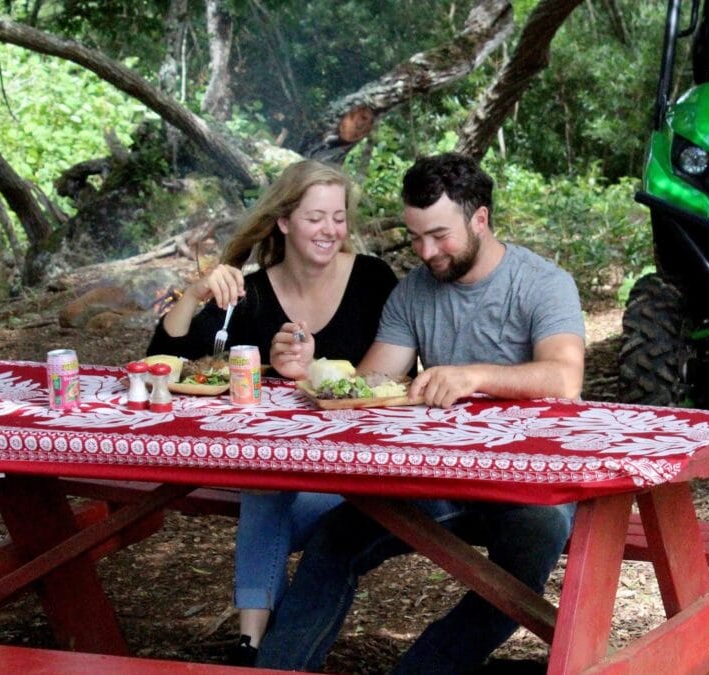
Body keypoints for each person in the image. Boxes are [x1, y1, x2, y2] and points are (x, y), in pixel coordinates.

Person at [256, 152, 586, 673]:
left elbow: (565, 378)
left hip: (532, 481)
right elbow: (369, 384)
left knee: (521, 569)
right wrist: (304, 371)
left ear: (479, 218)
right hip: (443, 475)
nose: (425, 251)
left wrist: (473, 376)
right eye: (415, 237)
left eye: (439, 235)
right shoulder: (413, 291)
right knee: (334, 542)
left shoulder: (543, 283)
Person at [145, 159, 399, 665]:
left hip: (362, 472)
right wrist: (195, 292)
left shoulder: (373, 279)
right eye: (315, 218)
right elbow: (167, 360)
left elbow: (390, 379)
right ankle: (254, 648)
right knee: (266, 485)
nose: (330, 230)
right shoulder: (254, 292)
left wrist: (305, 373)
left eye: (338, 217)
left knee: (265, 492)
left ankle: (255, 647)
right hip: (289, 475)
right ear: (284, 221)